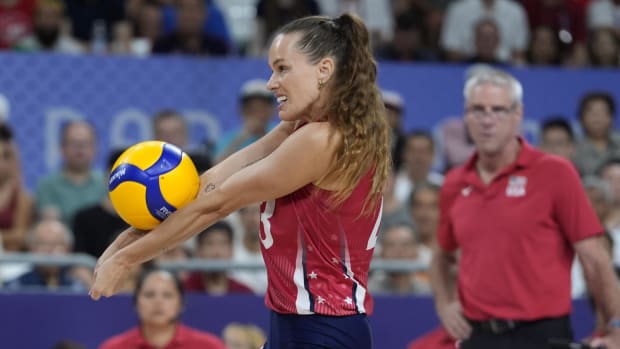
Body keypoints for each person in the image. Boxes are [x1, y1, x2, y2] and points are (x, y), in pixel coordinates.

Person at [90, 13, 390, 349]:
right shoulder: (302, 129)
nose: (271, 82)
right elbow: (211, 184)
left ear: (324, 70)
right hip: (295, 325)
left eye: (282, 68)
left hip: (323, 329)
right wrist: (125, 240)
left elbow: (217, 205)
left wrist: (127, 260)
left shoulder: (321, 139)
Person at [430, 67, 620, 349]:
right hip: (478, 336)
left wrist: (616, 323)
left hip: (542, 335)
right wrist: (445, 305)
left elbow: (595, 257)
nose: (487, 120)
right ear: (466, 116)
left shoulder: (554, 172)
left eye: (498, 110)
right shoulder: (454, 183)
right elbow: (440, 257)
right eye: (478, 110)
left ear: (518, 114)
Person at [98, 268, 226, 349]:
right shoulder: (113, 347)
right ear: (136, 302)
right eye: (149, 295)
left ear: (181, 303)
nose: (158, 302)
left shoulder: (209, 346)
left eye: (167, 295)